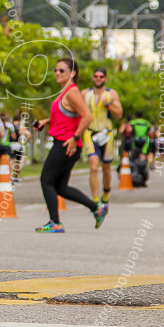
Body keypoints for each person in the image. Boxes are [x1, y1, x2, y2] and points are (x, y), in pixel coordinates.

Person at [33, 57, 108, 233]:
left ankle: (55, 222)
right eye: (55, 70)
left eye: (62, 70)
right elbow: (67, 116)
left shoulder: (72, 92)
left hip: (66, 144)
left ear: (72, 73)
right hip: (67, 142)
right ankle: (96, 208)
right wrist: (47, 121)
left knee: (46, 180)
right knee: (61, 187)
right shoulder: (65, 92)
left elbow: (87, 116)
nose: (57, 73)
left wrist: (75, 137)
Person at [81, 67, 122, 206]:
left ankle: (105, 194)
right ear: (93, 78)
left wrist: (108, 105)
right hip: (90, 133)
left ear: (105, 78)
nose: (98, 78)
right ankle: (95, 200)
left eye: (101, 76)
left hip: (107, 134)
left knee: (106, 167)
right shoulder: (85, 93)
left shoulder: (111, 94)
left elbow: (119, 114)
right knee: (93, 166)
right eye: (96, 76)